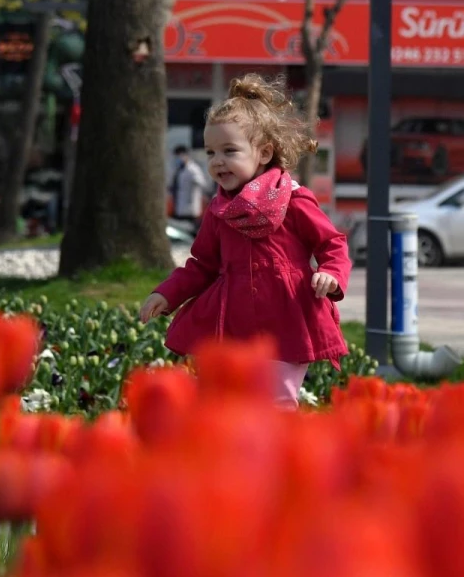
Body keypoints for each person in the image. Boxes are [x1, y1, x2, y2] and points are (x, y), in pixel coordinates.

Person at [139, 73, 351, 408]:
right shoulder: (219, 210)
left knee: (278, 402)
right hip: (234, 323)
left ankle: (283, 458)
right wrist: (167, 293)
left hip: (288, 319)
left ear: (264, 153)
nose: (217, 161)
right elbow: (202, 265)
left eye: (229, 150)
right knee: (231, 402)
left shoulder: (294, 200)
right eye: (210, 152)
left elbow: (333, 244)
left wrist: (331, 274)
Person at [168, 145, 211, 231]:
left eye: (179, 156)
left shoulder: (193, 169)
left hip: (190, 209)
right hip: (179, 208)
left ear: (185, 155)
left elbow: (202, 183)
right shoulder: (179, 170)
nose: (177, 159)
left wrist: (194, 182)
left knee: (190, 231)